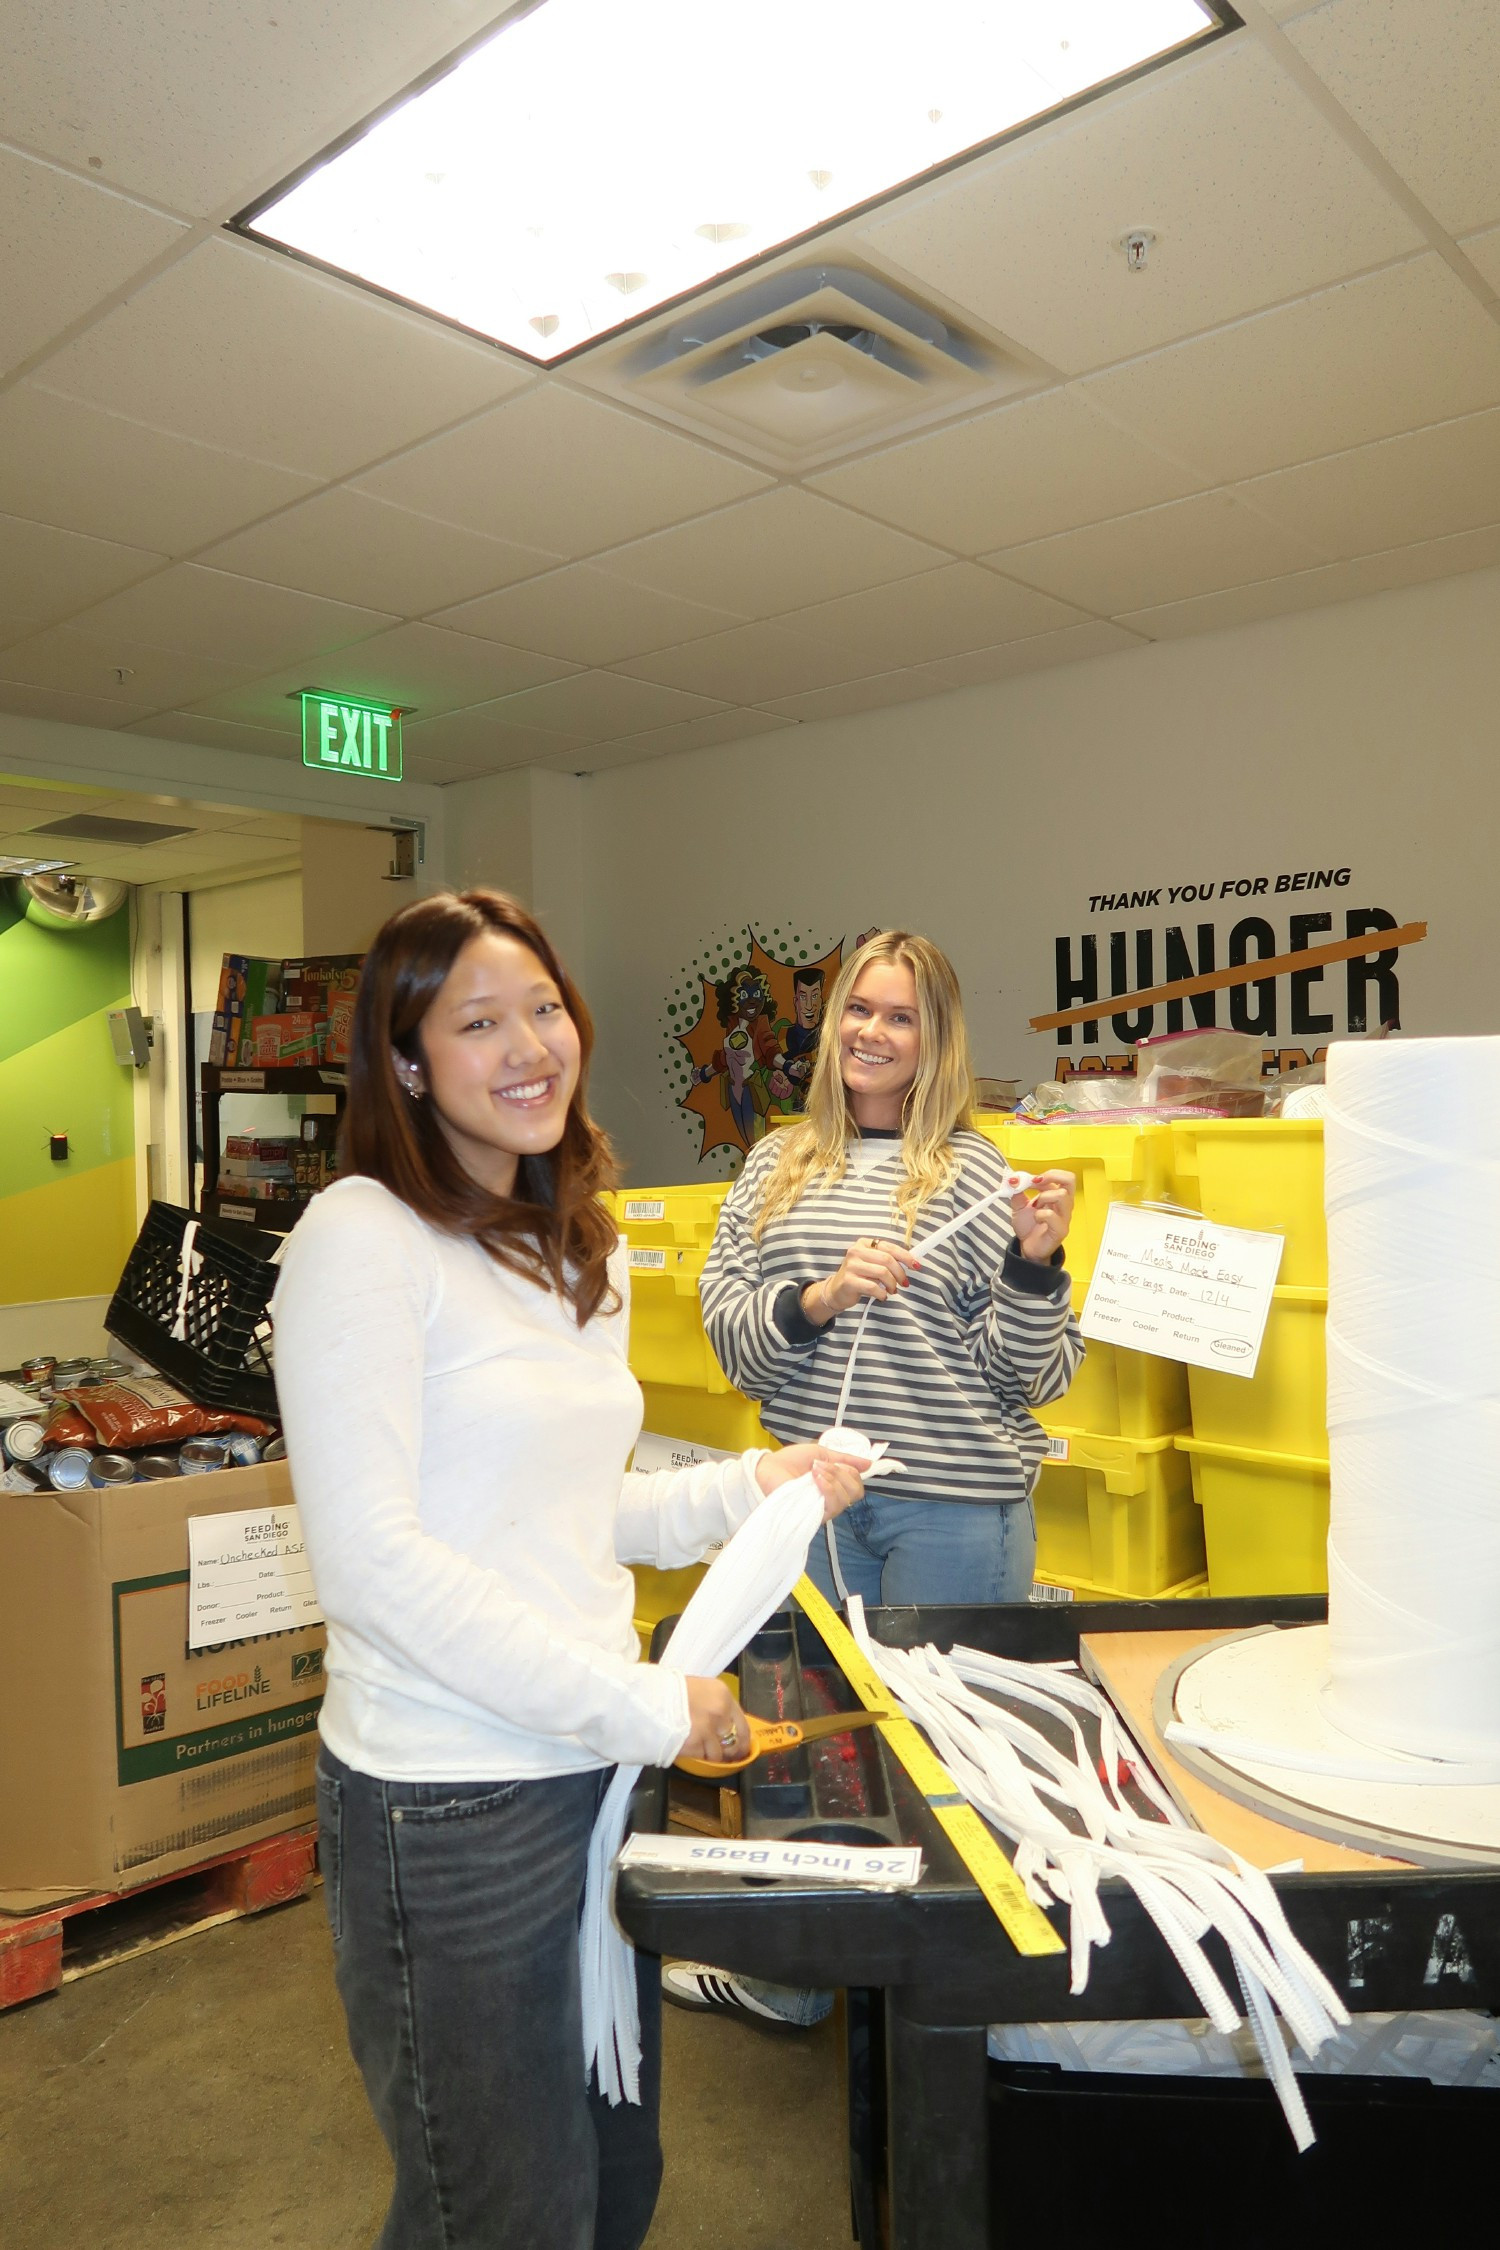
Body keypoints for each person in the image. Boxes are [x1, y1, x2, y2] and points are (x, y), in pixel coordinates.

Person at [272, 889, 865, 2250]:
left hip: (588, 1778)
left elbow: (564, 1508)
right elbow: (373, 1565)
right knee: (501, 2208)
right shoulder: (364, 1236)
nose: (530, 1043)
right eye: (478, 1021)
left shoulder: (562, 1240)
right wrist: (653, 1706)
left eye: (542, 1006)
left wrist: (744, 1487)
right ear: (408, 1061)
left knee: (614, 2178)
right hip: (448, 1811)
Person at [661, 929, 1082, 2026]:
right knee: (809, 1755)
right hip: (815, 1500)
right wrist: (821, 1296)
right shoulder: (775, 1164)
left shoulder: (979, 1171)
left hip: (958, 1508)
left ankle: (965, 2008)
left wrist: (1036, 1264)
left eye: (900, 1016)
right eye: (858, 1009)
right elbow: (733, 1343)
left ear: (933, 1038)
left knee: (959, 1756)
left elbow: (1025, 1377)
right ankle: (796, 1981)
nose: (872, 1033)